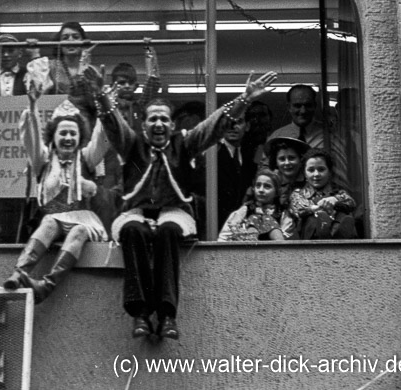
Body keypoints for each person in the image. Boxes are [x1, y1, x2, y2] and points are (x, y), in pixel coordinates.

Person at [97, 70, 277, 340]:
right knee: (134, 231)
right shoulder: (132, 144)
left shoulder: (184, 143)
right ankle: (141, 314)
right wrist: (102, 99)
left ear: (172, 125)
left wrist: (244, 99)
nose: (159, 124)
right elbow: (113, 125)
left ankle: (168, 315)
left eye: (164, 119)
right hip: (136, 212)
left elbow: (213, 126)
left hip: (174, 212)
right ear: (144, 125)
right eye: (153, 119)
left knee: (168, 231)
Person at [2, 83, 109, 303]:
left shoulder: (87, 157)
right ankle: (18, 272)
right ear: (53, 137)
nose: (68, 138)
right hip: (53, 220)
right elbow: (30, 138)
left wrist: (103, 105)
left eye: (73, 133)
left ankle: (46, 285)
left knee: (78, 231)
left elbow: (102, 137)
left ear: (80, 137)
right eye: (63, 133)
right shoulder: (43, 159)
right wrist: (32, 105)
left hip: (84, 221)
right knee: (49, 222)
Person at [266, 84, 349, 187]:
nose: (303, 111)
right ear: (289, 107)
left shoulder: (330, 136)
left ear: (315, 105)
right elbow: (265, 173)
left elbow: (341, 179)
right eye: (297, 105)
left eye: (308, 105)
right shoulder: (276, 137)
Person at [289, 148, 357, 239]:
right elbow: (299, 210)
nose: (316, 174)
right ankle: (324, 231)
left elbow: (351, 202)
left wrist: (335, 200)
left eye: (321, 169)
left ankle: (338, 233)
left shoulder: (338, 192)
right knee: (312, 219)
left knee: (343, 215)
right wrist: (321, 207)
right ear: (304, 173)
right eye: (311, 170)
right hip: (310, 239)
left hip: (337, 237)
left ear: (329, 172)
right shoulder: (298, 194)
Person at [218, 168, 286, 241]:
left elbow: (288, 236)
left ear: (276, 192)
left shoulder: (282, 212)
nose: (261, 190)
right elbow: (224, 237)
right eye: (258, 186)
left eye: (267, 186)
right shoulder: (246, 210)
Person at [216, 114, 256, 229]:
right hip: (217, 224)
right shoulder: (212, 154)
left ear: (247, 126)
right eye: (228, 121)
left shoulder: (248, 156)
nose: (232, 126)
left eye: (238, 121)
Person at [265, 136, 309, 239]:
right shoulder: (270, 184)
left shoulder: (309, 182)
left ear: (300, 159)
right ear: (275, 161)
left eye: (291, 158)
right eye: (282, 159)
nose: (287, 163)